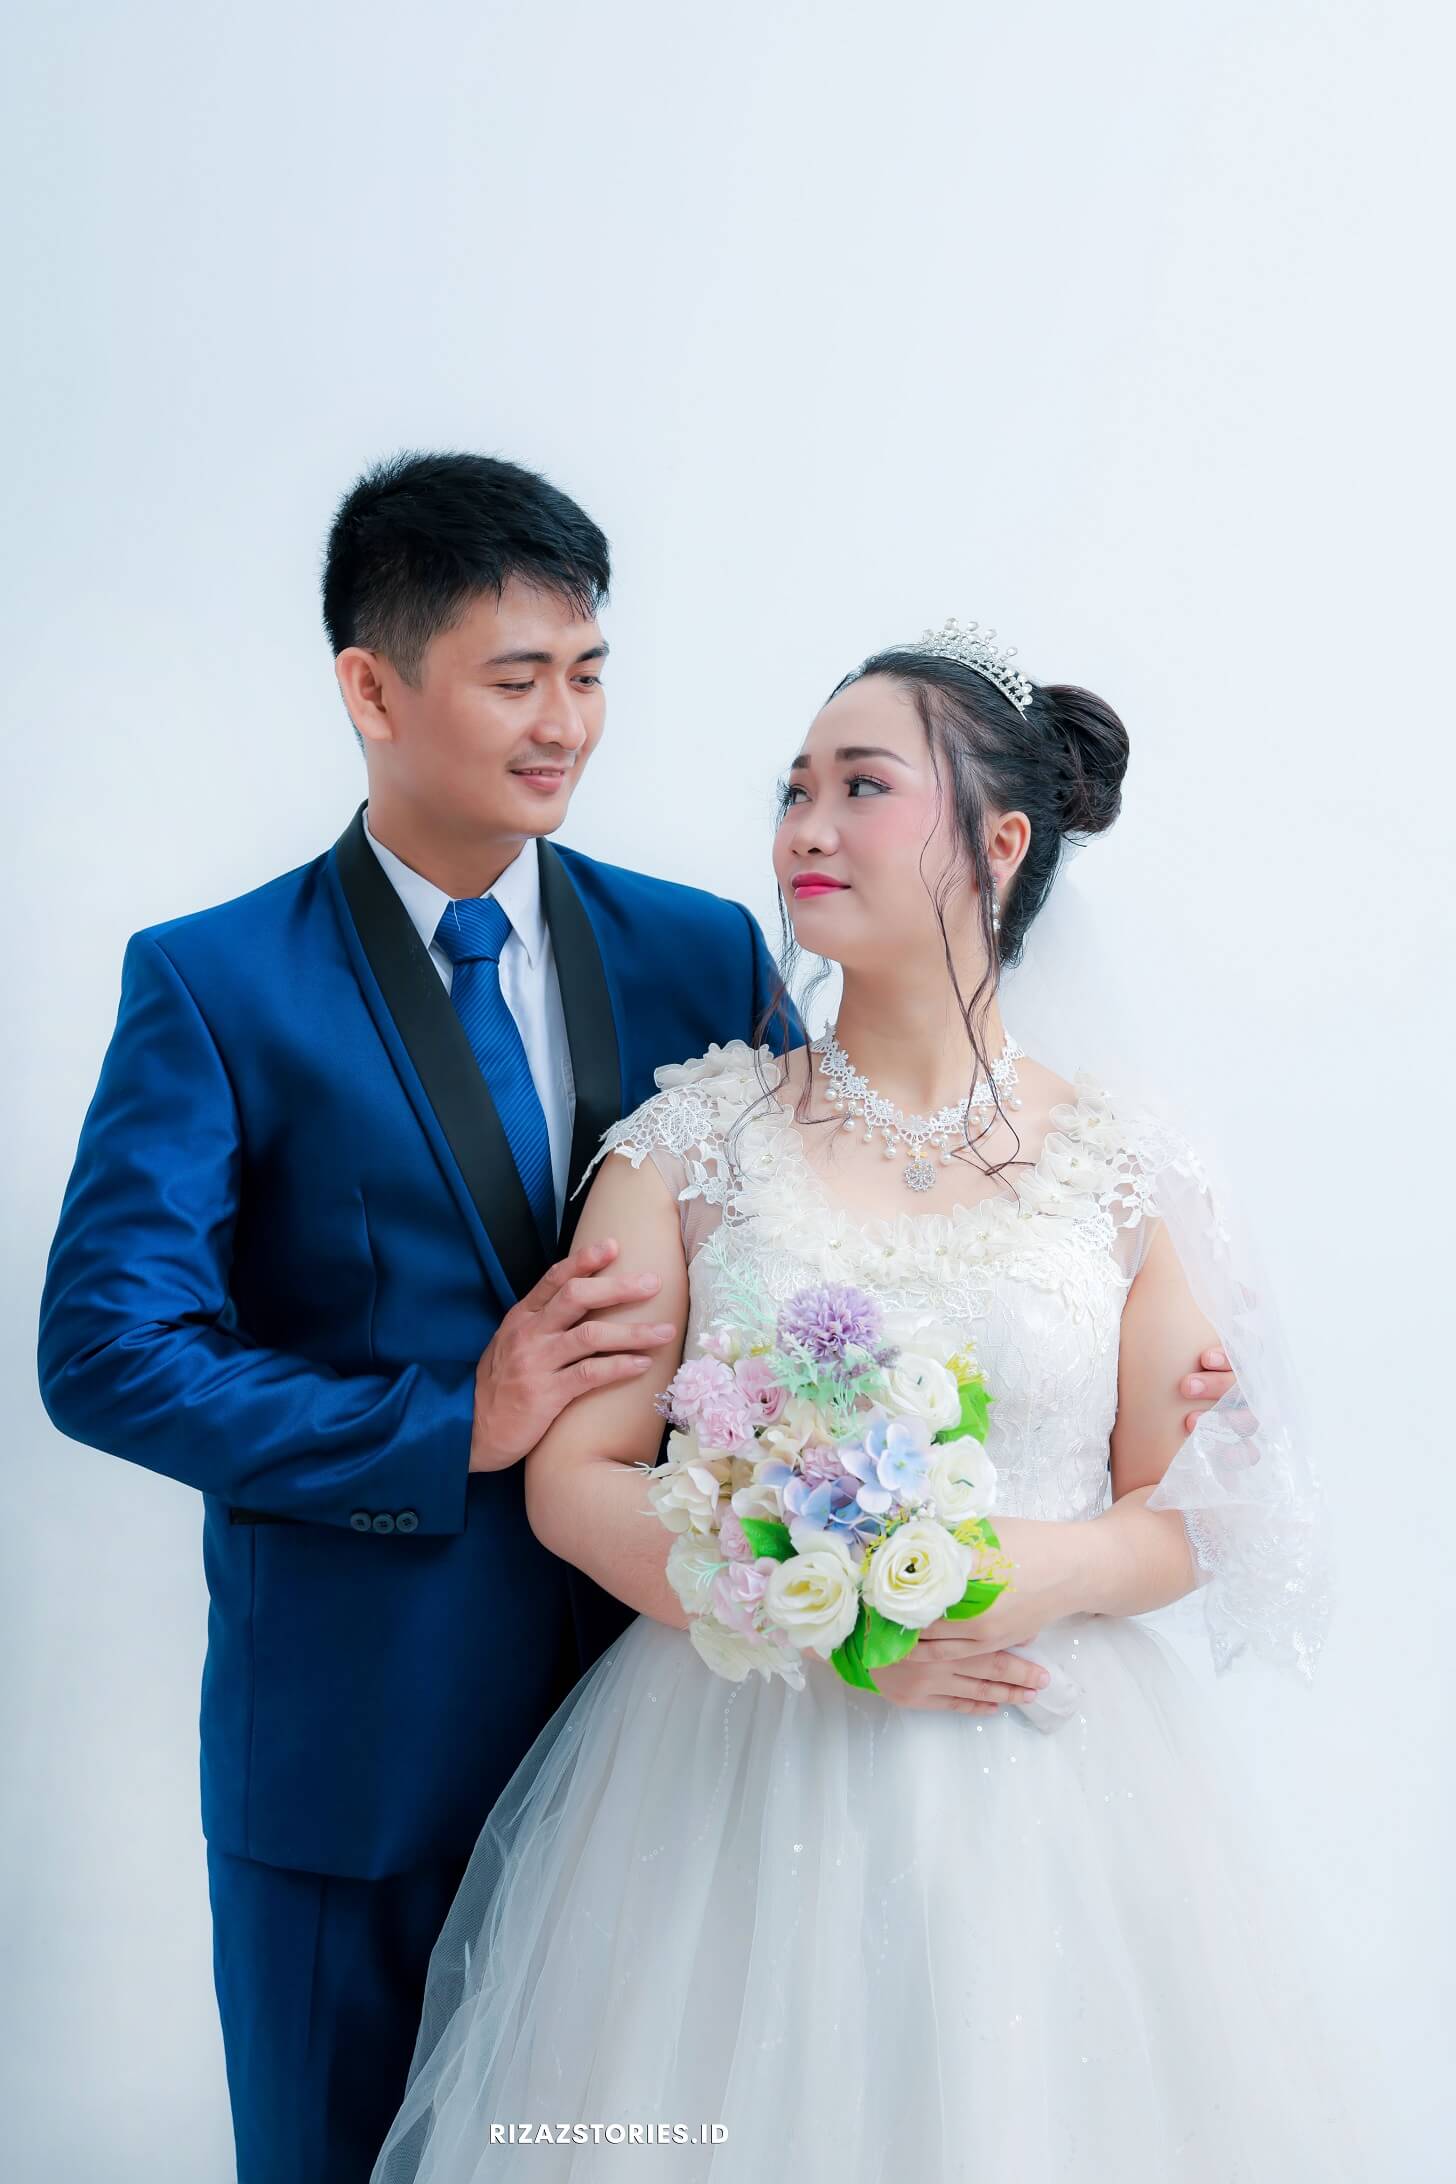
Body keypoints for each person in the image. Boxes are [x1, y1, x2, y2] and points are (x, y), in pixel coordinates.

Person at [35, 452, 1238, 2184]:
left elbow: (826, 1257)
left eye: (589, 675)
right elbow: (106, 1353)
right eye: (517, 679)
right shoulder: (218, 983)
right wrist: (451, 1421)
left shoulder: (693, 951)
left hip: (682, 1741)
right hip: (365, 1744)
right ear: (373, 690)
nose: (566, 726)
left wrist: (1098, 1366)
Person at [371, 619, 1363, 2181]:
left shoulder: (1131, 1162)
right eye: (794, 790)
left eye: (861, 786)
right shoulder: (689, 1142)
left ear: (1000, 842)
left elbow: (1195, 1500)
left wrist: (1043, 1567)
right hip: (730, 1773)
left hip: (1048, 1775)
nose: (807, 829)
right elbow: (573, 1479)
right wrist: (819, 1612)